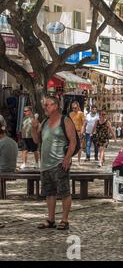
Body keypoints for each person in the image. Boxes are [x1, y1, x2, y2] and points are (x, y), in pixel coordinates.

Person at [31, 96, 77, 230]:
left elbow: (73, 141)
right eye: (44, 105)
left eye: (48, 105)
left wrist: (67, 158)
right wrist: (34, 128)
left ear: (56, 106)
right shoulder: (44, 122)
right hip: (45, 164)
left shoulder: (65, 121)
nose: (45, 107)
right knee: (49, 192)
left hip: (59, 162)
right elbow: (36, 141)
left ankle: (65, 220)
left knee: (64, 192)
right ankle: (51, 219)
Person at [69, 101, 85, 165]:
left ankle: (79, 161)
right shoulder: (70, 114)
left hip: (79, 131)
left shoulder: (81, 113)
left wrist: (82, 131)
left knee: (79, 147)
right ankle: (70, 160)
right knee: (71, 146)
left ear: (78, 107)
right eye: (72, 108)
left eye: (75, 108)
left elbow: (84, 123)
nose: (74, 109)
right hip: (72, 132)